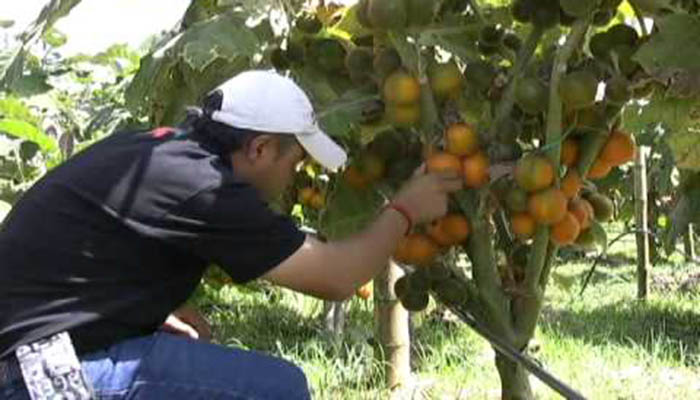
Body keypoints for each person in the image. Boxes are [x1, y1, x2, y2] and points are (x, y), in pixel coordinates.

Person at [0, 70, 462, 399]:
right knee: (278, 389)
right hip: (30, 374)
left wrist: (142, 313)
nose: (293, 178)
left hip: (28, 349)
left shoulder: (160, 149)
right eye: (295, 162)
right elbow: (338, 277)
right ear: (260, 148)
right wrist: (405, 208)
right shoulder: (208, 188)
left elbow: (91, 251)